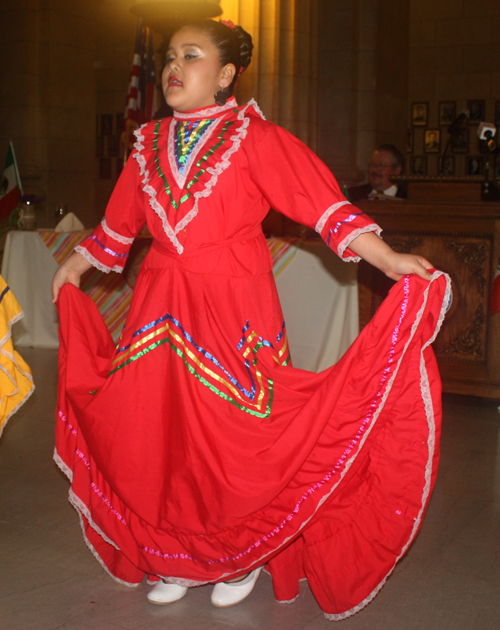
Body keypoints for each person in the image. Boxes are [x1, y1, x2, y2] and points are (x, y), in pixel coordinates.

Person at [52, 19, 449, 621]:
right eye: (169, 57)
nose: (173, 67)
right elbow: (116, 228)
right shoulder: (148, 143)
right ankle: (177, 553)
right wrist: (74, 268)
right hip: (159, 308)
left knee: (234, 435)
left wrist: (390, 259)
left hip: (233, 308)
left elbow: (327, 210)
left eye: (191, 55)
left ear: (227, 74)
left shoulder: (255, 137)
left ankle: (238, 556)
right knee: (165, 435)